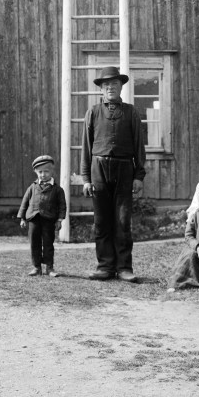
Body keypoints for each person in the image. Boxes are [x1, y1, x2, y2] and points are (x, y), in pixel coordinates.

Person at [80, 66, 146, 282]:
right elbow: (86, 148)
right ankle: (105, 266)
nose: (110, 88)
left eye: (114, 84)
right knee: (102, 221)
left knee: (123, 220)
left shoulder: (131, 112)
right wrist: (86, 179)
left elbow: (139, 147)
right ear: (101, 89)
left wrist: (138, 176)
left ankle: (124, 267)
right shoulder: (93, 112)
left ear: (121, 87)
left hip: (125, 169)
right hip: (98, 169)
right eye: (106, 85)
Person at [17, 154, 67, 277]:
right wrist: (23, 218)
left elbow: (62, 206)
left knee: (48, 243)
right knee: (34, 243)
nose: (43, 174)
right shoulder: (32, 187)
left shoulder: (58, 189)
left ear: (52, 171)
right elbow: (25, 202)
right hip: (34, 219)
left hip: (49, 220)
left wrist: (59, 219)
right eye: (40, 172)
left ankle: (49, 268)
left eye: (46, 171)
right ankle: (36, 267)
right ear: (36, 172)